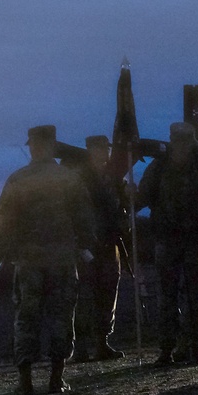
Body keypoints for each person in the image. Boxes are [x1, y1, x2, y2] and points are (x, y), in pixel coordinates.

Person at [0, 125, 95, 395]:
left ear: (36, 146)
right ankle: (56, 379)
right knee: (61, 316)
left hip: (29, 260)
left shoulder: (18, 179)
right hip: (60, 258)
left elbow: (4, 221)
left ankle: (25, 382)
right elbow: (83, 216)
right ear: (53, 146)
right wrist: (85, 246)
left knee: (27, 317)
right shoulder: (68, 178)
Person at [136, 122, 198, 366]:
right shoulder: (159, 168)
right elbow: (142, 197)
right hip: (167, 239)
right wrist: (130, 201)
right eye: (179, 140)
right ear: (173, 141)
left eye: (186, 140)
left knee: (197, 297)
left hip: (197, 240)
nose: (182, 145)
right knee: (167, 296)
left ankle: (197, 345)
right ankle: (167, 348)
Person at [74, 134, 127, 362]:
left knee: (108, 293)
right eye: (98, 148)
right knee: (84, 295)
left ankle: (102, 342)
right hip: (87, 244)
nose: (103, 152)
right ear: (89, 150)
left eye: (105, 148)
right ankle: (81, 347)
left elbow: (123, 205)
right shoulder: (80, 178)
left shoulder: (114, 178)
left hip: (109, 243)